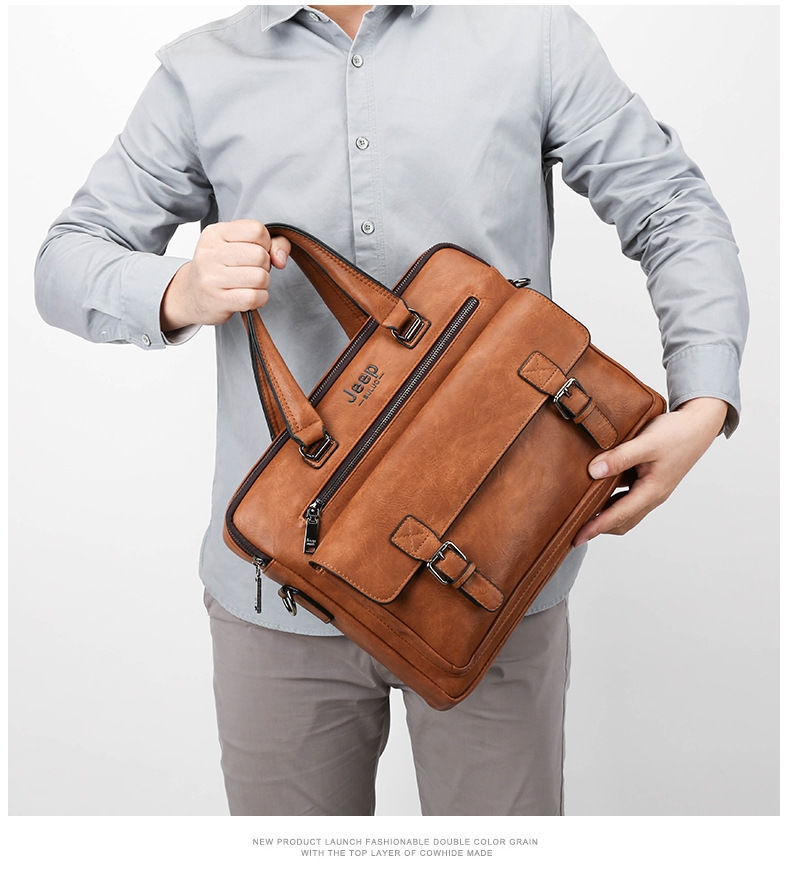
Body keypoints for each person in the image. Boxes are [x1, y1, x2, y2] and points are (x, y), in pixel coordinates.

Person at [33, 5, 748, 816]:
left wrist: (705, 396)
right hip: (278, 603)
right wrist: (178, 290)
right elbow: (64, 258)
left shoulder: (531, 34)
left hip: (501, 576)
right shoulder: (200, 74)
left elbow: (669, 205)